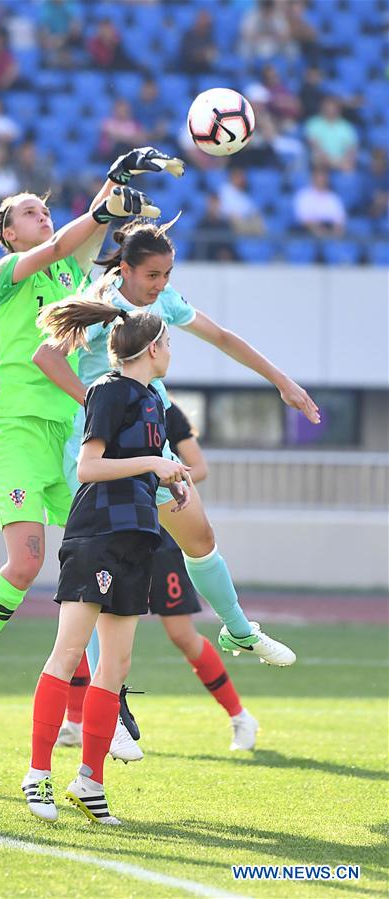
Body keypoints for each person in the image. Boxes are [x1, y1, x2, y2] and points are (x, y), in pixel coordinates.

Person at [35, 220, 319, 746]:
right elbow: (46, 356)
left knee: (201, 538)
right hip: (108, 458)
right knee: (107, 578)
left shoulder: (162, 304)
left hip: (154, 449)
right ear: (124, 269)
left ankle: (238, 629)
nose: (160, 283)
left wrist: (283, 381)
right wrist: (99, 408)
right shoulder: (100, 303)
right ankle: (110, 707)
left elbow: (223, 337)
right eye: (152, 275)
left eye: (167, 273)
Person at [0, 148, 186, 734]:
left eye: (45, 210)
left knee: (101, 553)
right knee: (26, 563)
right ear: (9, 234)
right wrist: (111, 190)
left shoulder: (69, 278)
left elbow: (85, 235)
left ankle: (102, 697)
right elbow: (73, 238)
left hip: (63, 436)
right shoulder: (6, 278)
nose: (42, 216)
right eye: (30, 213)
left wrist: (111, 197)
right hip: (14, 430)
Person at [22, 302, 190, 824]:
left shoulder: (153, 401)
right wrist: (155, 463)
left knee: (116, 667)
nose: (171, 349)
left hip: (137, 537)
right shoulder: (109, 390)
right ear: (153, 347)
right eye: (168, 341)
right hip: (96, 533)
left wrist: (168, 481)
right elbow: (89, 466)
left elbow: (135, 466)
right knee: (69, 653)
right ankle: (38, 776)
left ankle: (89, 781)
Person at [58, 401, 259, 755]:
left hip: (162, 534)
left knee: (181, 634)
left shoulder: (164, 409)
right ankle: (77, 720)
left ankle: (240, 716)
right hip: (116, 528)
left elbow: (198, 467)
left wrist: (157, 476)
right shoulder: (110, 401)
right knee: (86, 624)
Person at [305, 97, 358, 172]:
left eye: (333, 108)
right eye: (328, 108)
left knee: (349, 169)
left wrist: (345, 160)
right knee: (318, 161)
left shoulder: (346, 127)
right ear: (323, 109)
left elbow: (351, 148)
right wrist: (327, 159)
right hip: (320, 160)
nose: (330, 111)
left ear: (338, 110)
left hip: (340, 161)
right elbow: (313, 144)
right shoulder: (313, 123)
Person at [293, 168, 346, 238]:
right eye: (319, 177)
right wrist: (318, 230)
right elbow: (303, 219)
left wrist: (333, 232)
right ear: (313, 178)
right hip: (307, 233)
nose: (321, 180)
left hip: (329, 232)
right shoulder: (303, 195)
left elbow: (339, 220)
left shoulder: (333, 197)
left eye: (323, 177)